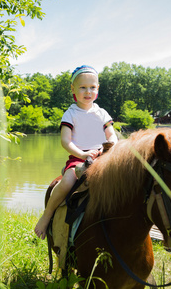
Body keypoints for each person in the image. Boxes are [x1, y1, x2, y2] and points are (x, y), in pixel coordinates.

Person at [34, 65, 118, 239]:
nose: (88, 92)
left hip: (103, 155)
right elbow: (66, 141)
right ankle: (47, 214)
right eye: (82, 87)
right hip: (79, 158)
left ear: (98, 88)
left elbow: (112, 136)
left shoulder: (102, 113)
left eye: (92, 87)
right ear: (73, 89)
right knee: (68, 180)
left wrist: (105, 147)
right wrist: (83, 155)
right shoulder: (70, 114)